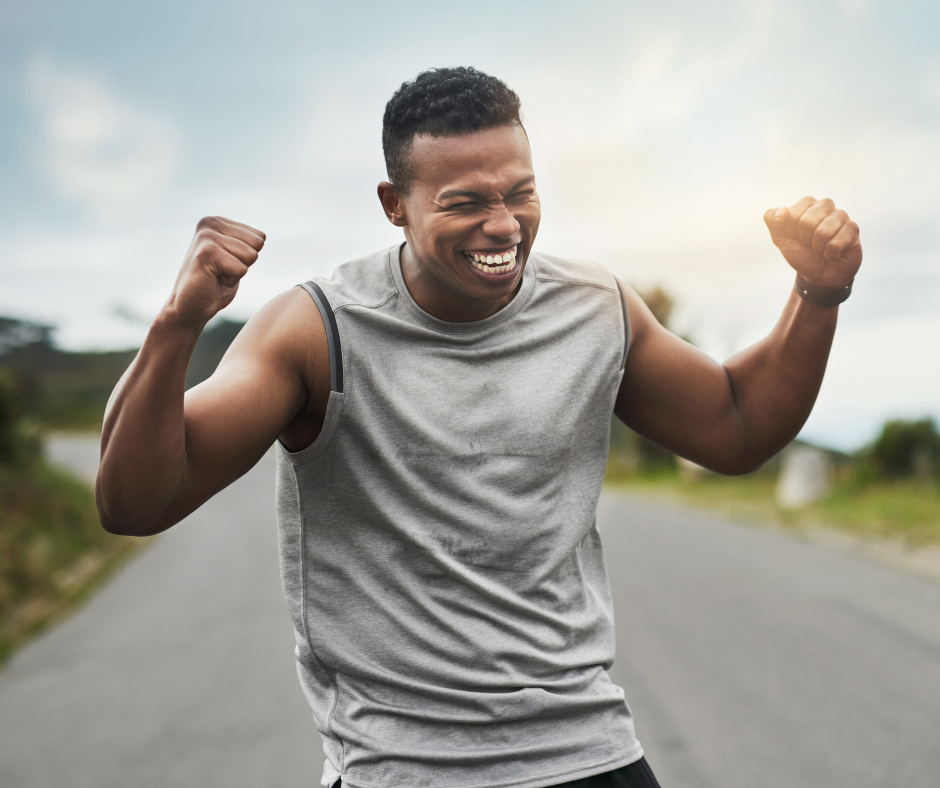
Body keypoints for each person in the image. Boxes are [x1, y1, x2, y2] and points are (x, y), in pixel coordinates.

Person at [96, 67, 862, 788]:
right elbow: (136, 502)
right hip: (399, 762)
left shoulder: (594, 308)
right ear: (395, 203)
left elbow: (736, 427)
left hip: (584, 750)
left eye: (521, 193)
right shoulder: (317, 330)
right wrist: (177, 325)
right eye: (464, 203)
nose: (503, 227)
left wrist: (818, 292)